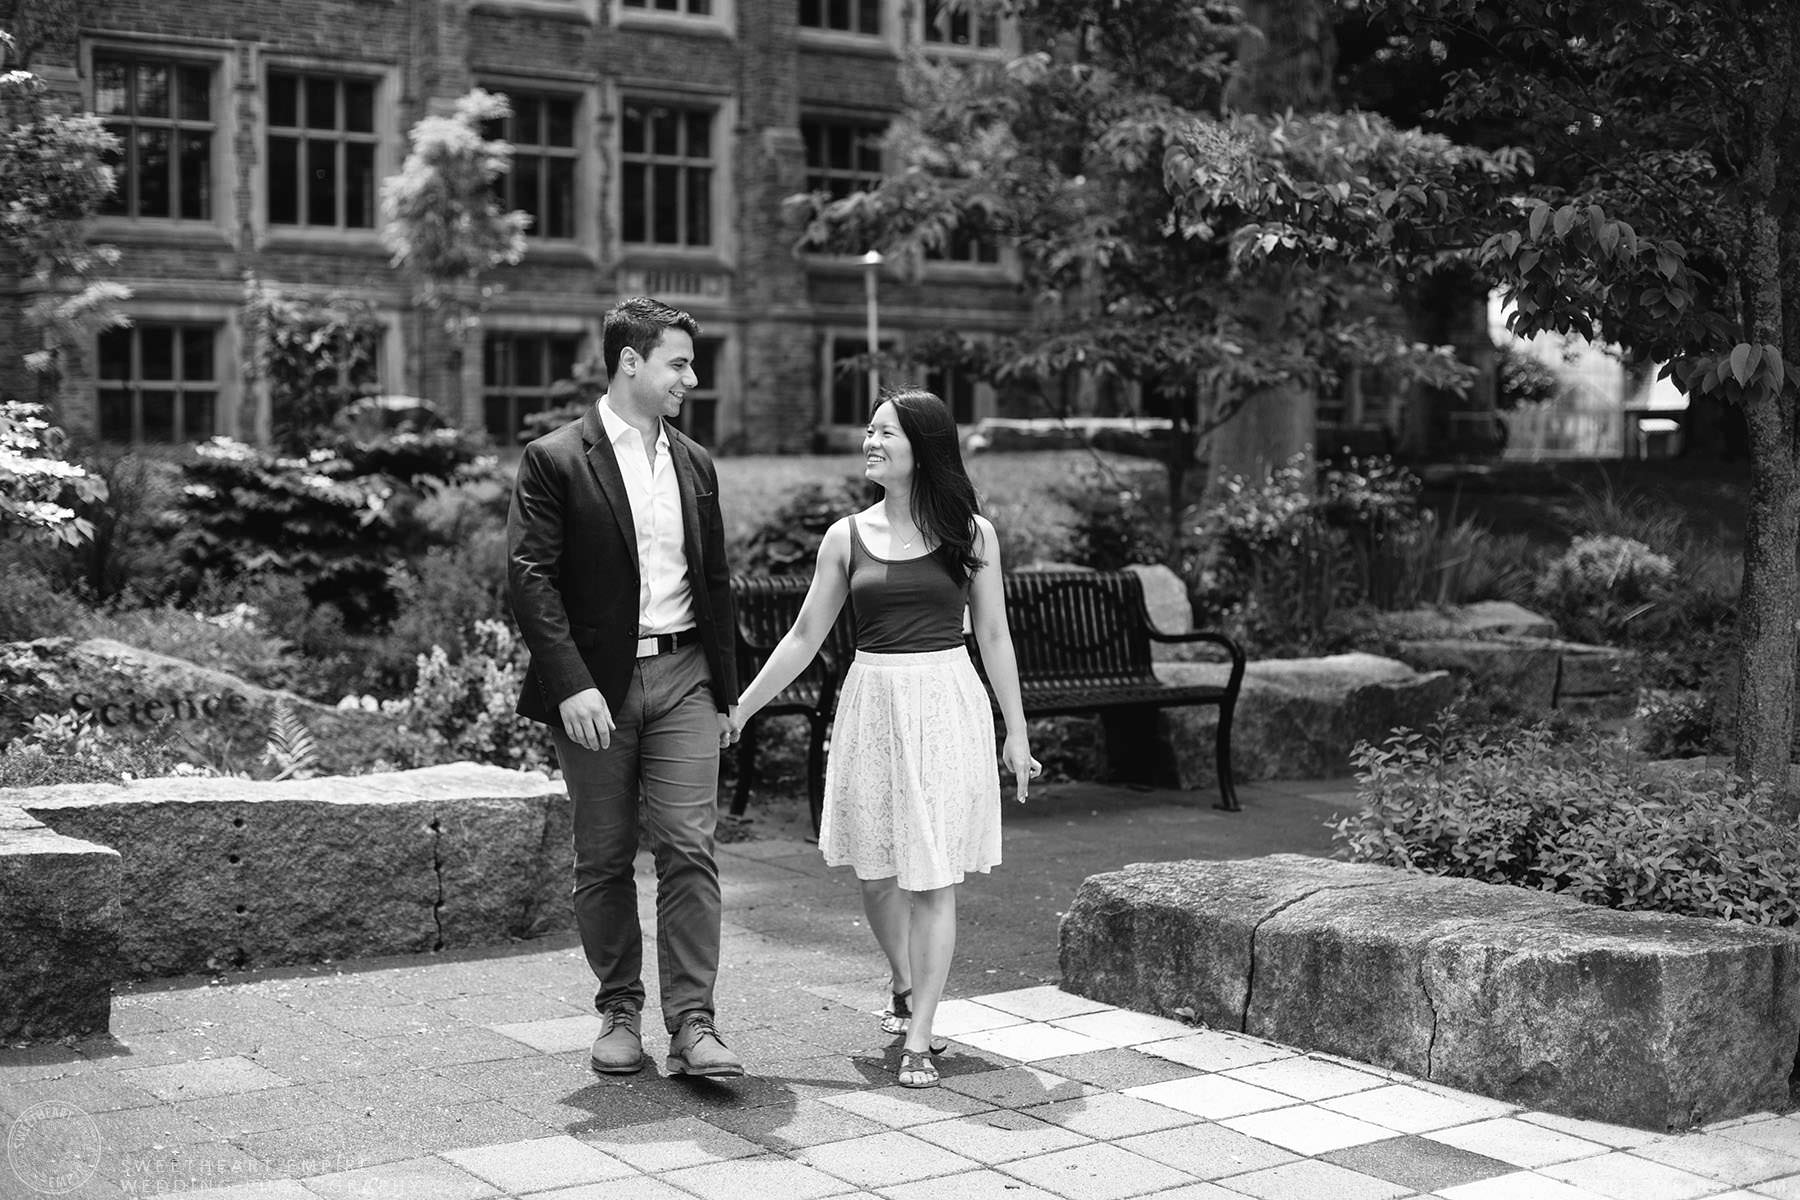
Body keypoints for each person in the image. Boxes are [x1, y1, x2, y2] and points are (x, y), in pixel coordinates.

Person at [730, 387, 1040, 1089]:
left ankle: (921, 1036)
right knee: (876, 871)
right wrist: (744, 708)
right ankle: (904, 978)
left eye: (885, 433)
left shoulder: (973, 534)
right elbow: (806, 636)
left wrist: (1016, 732)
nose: (870, 442)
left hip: (947, 701)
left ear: (921, 448)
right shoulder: (846, 536)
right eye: (868, 431)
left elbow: (993, 634)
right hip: (872, 702)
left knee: (932, 876)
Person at [507, 296, 744, 1078]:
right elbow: (531, 577)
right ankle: (619, 1009)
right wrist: (570, 684)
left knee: (688, 849)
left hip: (685, 678)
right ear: (630, 361)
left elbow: (715, 581)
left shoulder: (696, 462)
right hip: (597, 690)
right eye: (678, 362)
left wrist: (728, 689)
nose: (691, 377)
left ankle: (694, 1023)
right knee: (604, 857)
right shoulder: (555, 458)